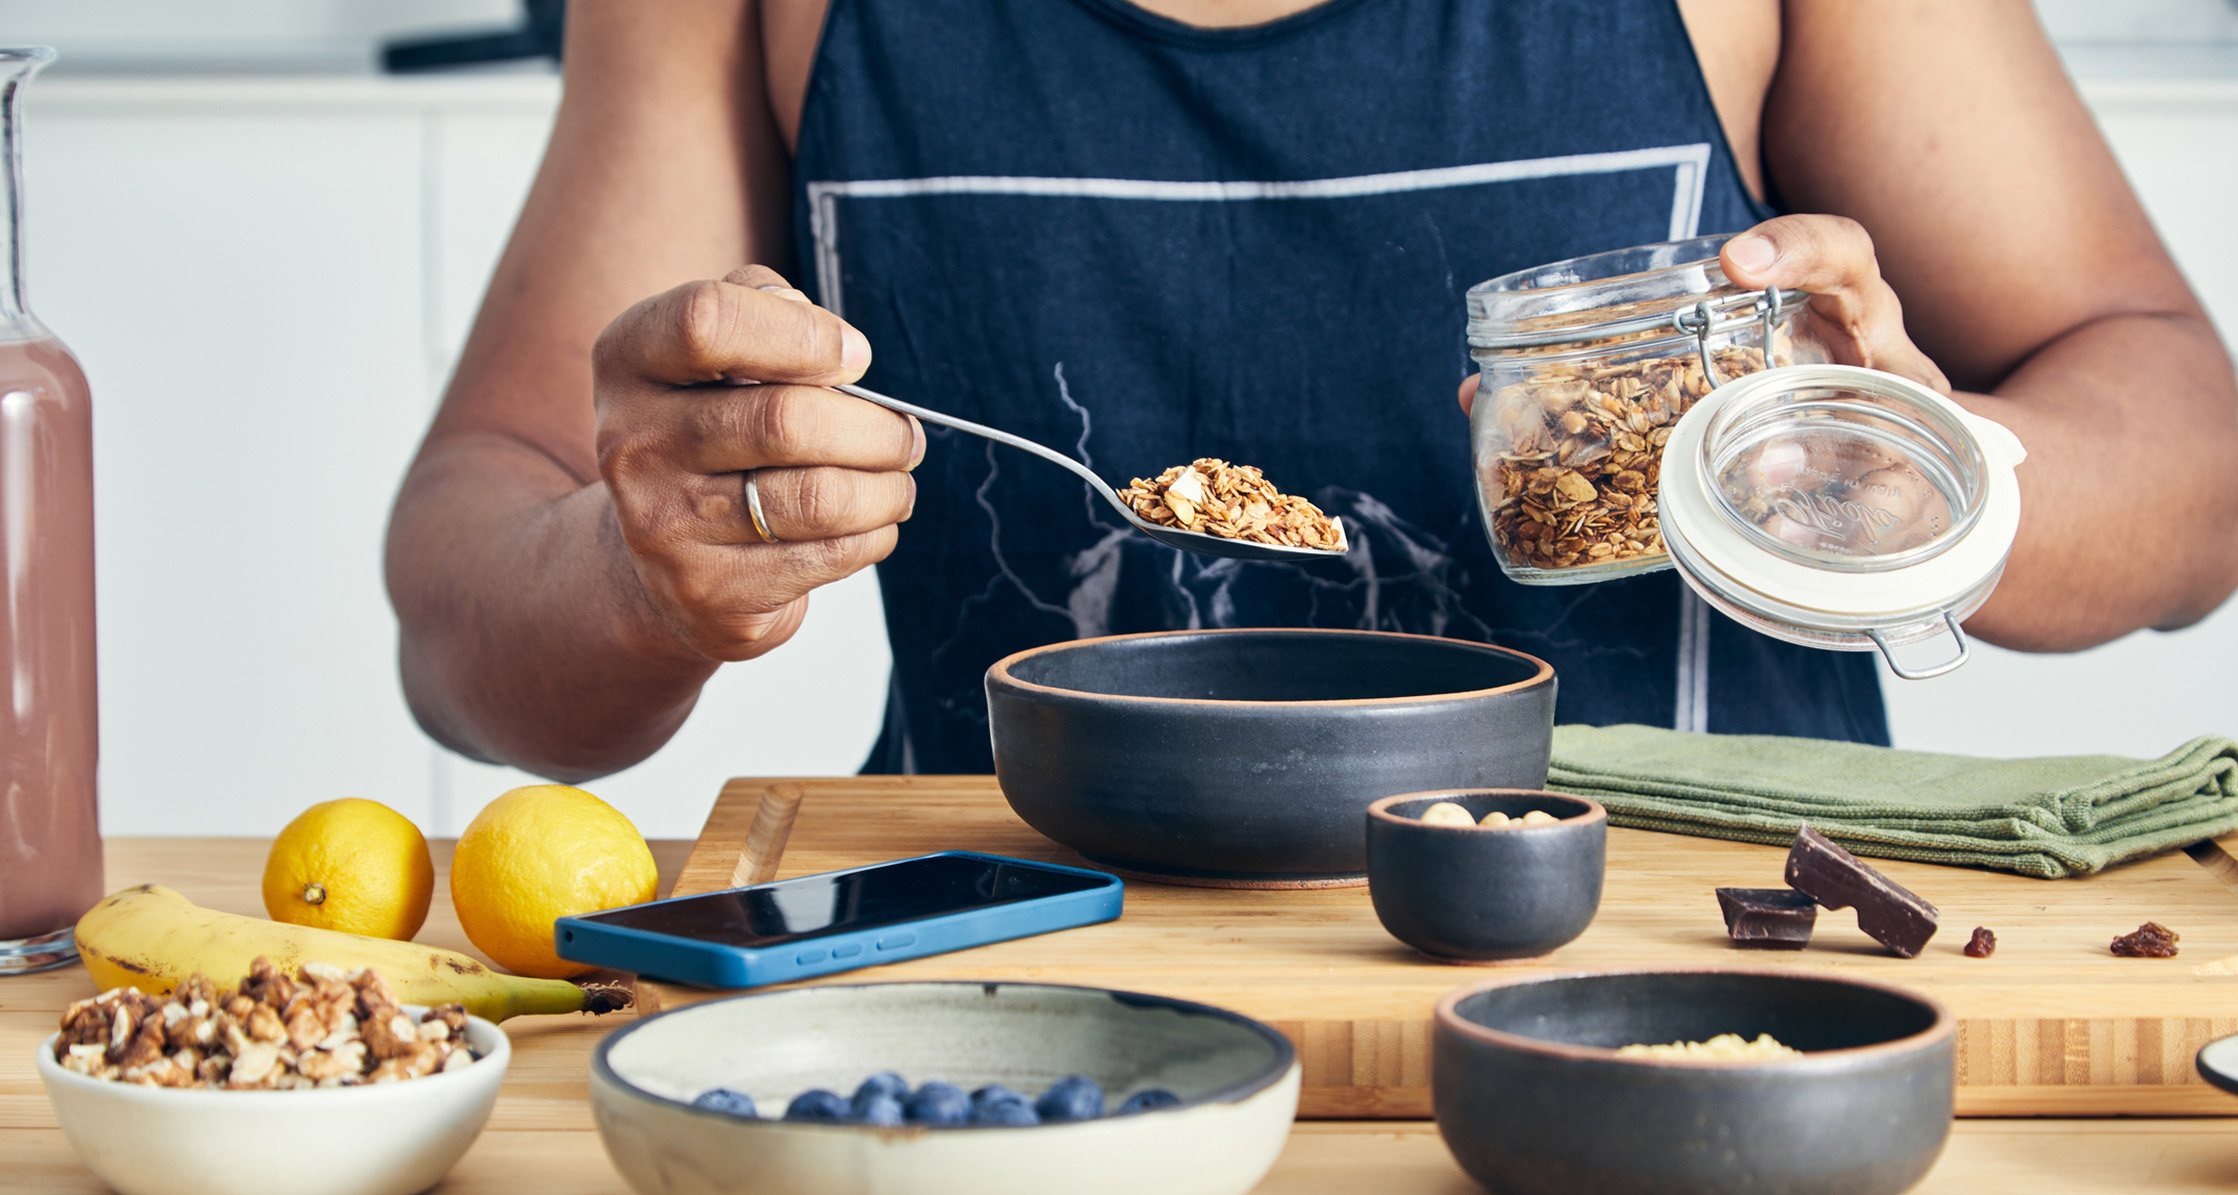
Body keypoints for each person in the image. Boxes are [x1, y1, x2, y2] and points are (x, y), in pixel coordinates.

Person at [385, 0, 2238, 782]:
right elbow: (470, 600)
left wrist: (1917, 474)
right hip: (1017, 1024)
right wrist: (638, 579)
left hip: (1693, 1018)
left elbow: (2190, 452)